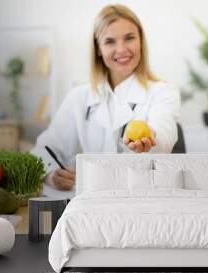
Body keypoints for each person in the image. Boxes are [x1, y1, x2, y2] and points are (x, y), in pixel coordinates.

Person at [30, 4, 180, 191]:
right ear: (98, 49)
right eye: (110, 41)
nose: (122, 49)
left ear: (141, 41)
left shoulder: (163, 92)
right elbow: (44, 148)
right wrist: (50, 175)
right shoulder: (79, 97)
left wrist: (150, 137)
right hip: (90, 202)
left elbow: (164, 137)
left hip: (143, 201)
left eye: (129, 38)